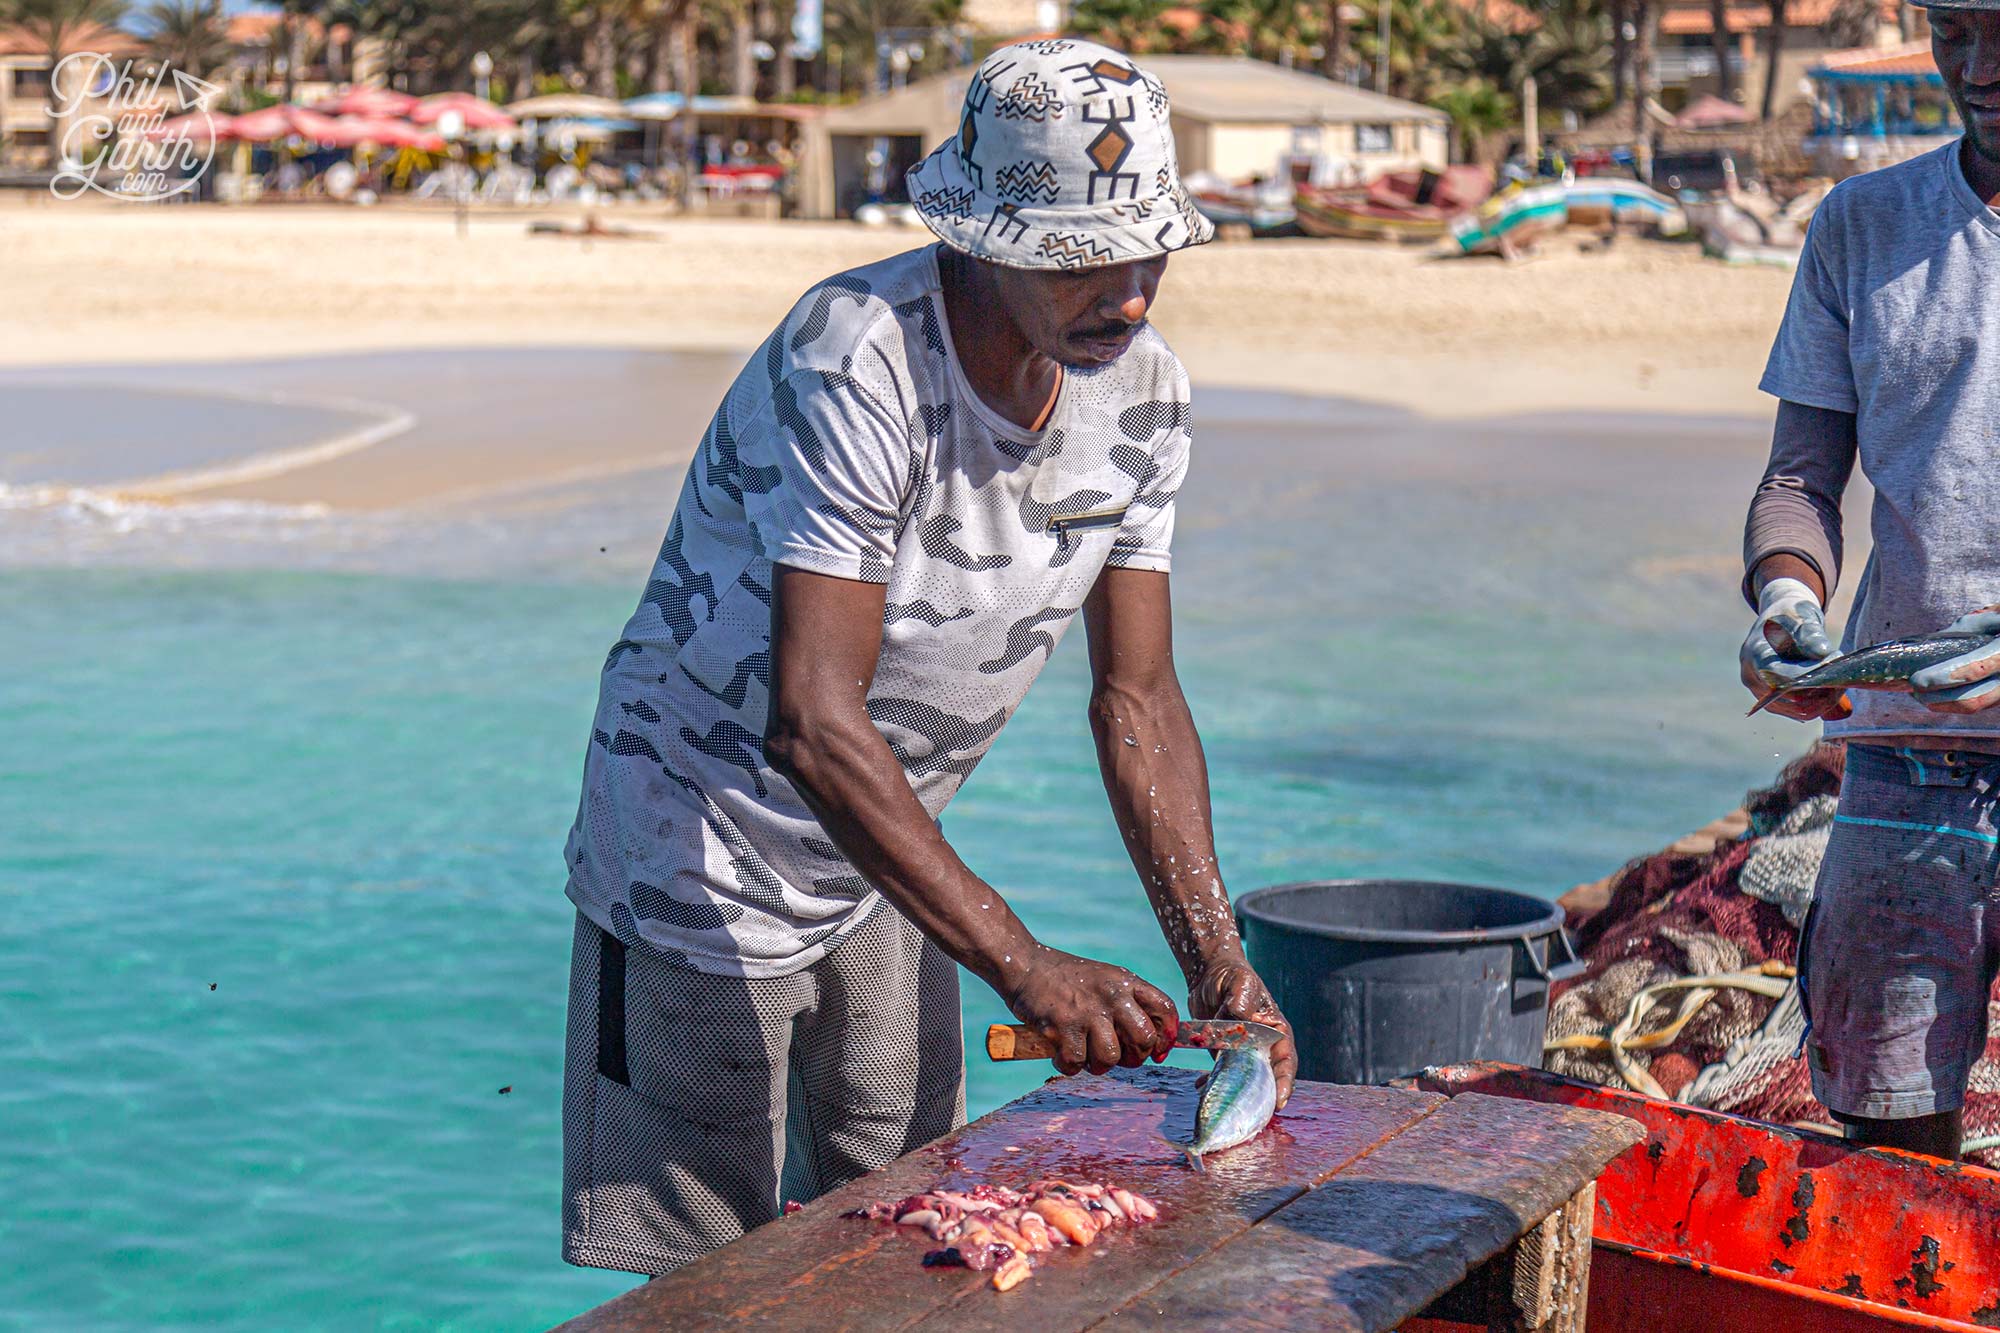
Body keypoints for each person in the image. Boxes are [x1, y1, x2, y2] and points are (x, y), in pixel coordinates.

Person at [559, 38, 1298, 1276]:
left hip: (885, 856)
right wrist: (1025, 965)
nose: (1124, 290)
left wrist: (1225, 973)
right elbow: (808, 717)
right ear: (982, 238)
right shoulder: (857, 358)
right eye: (1076, 257)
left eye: (1145, 248)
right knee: (702, 1278)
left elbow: (1138, 696)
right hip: (694, 850)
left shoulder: (1147, 395)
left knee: (909, 1218)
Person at [1739, 0, 2000, 1160]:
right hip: (1898, 757)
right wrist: (1784, 601)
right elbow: (1797, 482)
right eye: (1953, 30)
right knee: (1888, 1146)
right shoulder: (1860, 223)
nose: (1977, 67)